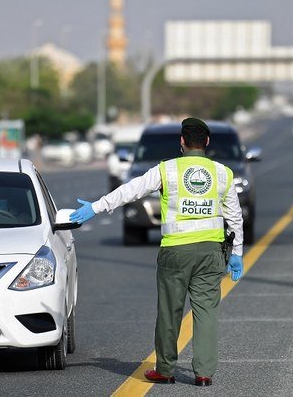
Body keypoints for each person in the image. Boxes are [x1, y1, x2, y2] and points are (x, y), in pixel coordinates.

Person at [69, 117, 244, 386]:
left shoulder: (167, 170)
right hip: (211, 252)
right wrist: (237, 253)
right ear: (207, 142)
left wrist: (96, 207)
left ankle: (165, 369)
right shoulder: (223, 173)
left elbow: (131, 190)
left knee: (170, 312)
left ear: (182, 142)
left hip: (175, 251)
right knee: (207, 311)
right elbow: (235, 217)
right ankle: (204, 373)